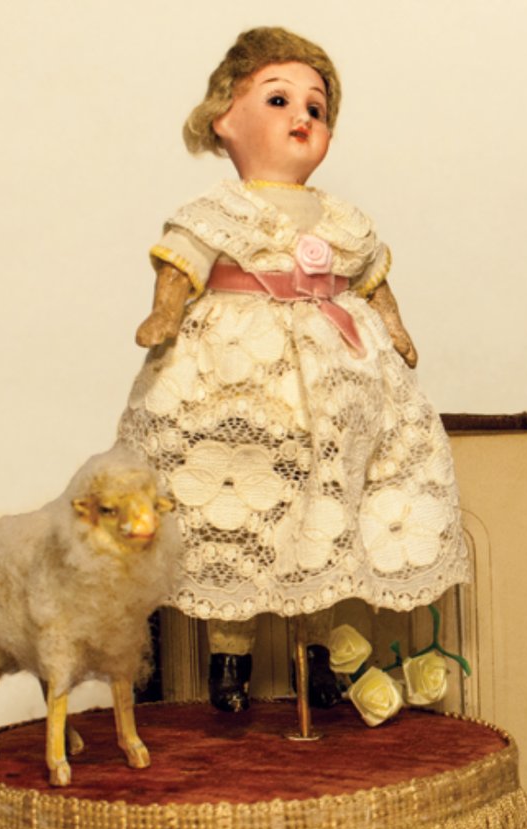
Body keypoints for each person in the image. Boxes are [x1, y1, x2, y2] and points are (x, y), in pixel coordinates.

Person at [116, 27, 468, 713]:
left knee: (327, 502)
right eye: (279, 100)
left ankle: (321, 650)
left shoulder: (341, 217)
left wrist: (395, 328)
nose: (302, 117)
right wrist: (164, 314)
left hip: (336, 383)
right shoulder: (222, 209)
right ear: (225, 119)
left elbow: (370, 278)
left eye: (316, 108)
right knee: (241, 505)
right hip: (242, 378)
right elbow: (181, 261)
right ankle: (230, 654)